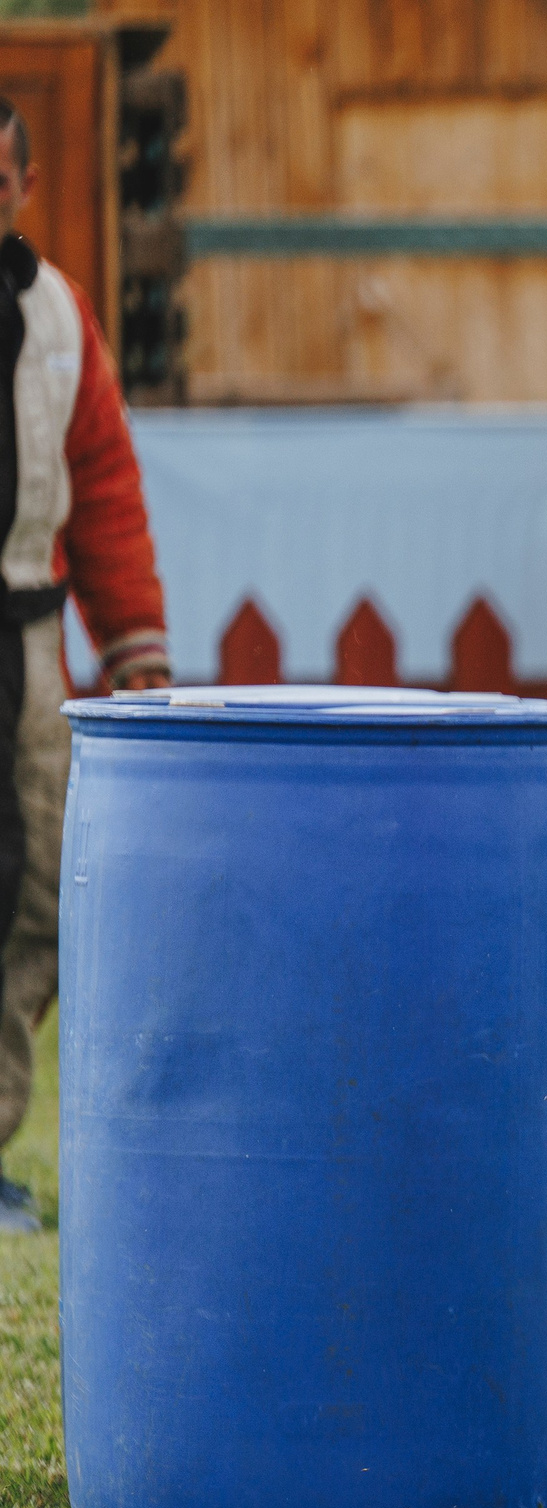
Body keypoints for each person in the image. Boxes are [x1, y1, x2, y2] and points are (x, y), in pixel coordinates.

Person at [0, 97, 170, 1234]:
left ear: (20, 183)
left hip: (22, 637)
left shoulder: (60, 317)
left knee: (41, 891)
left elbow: (102, 493)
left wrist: (137, 652)